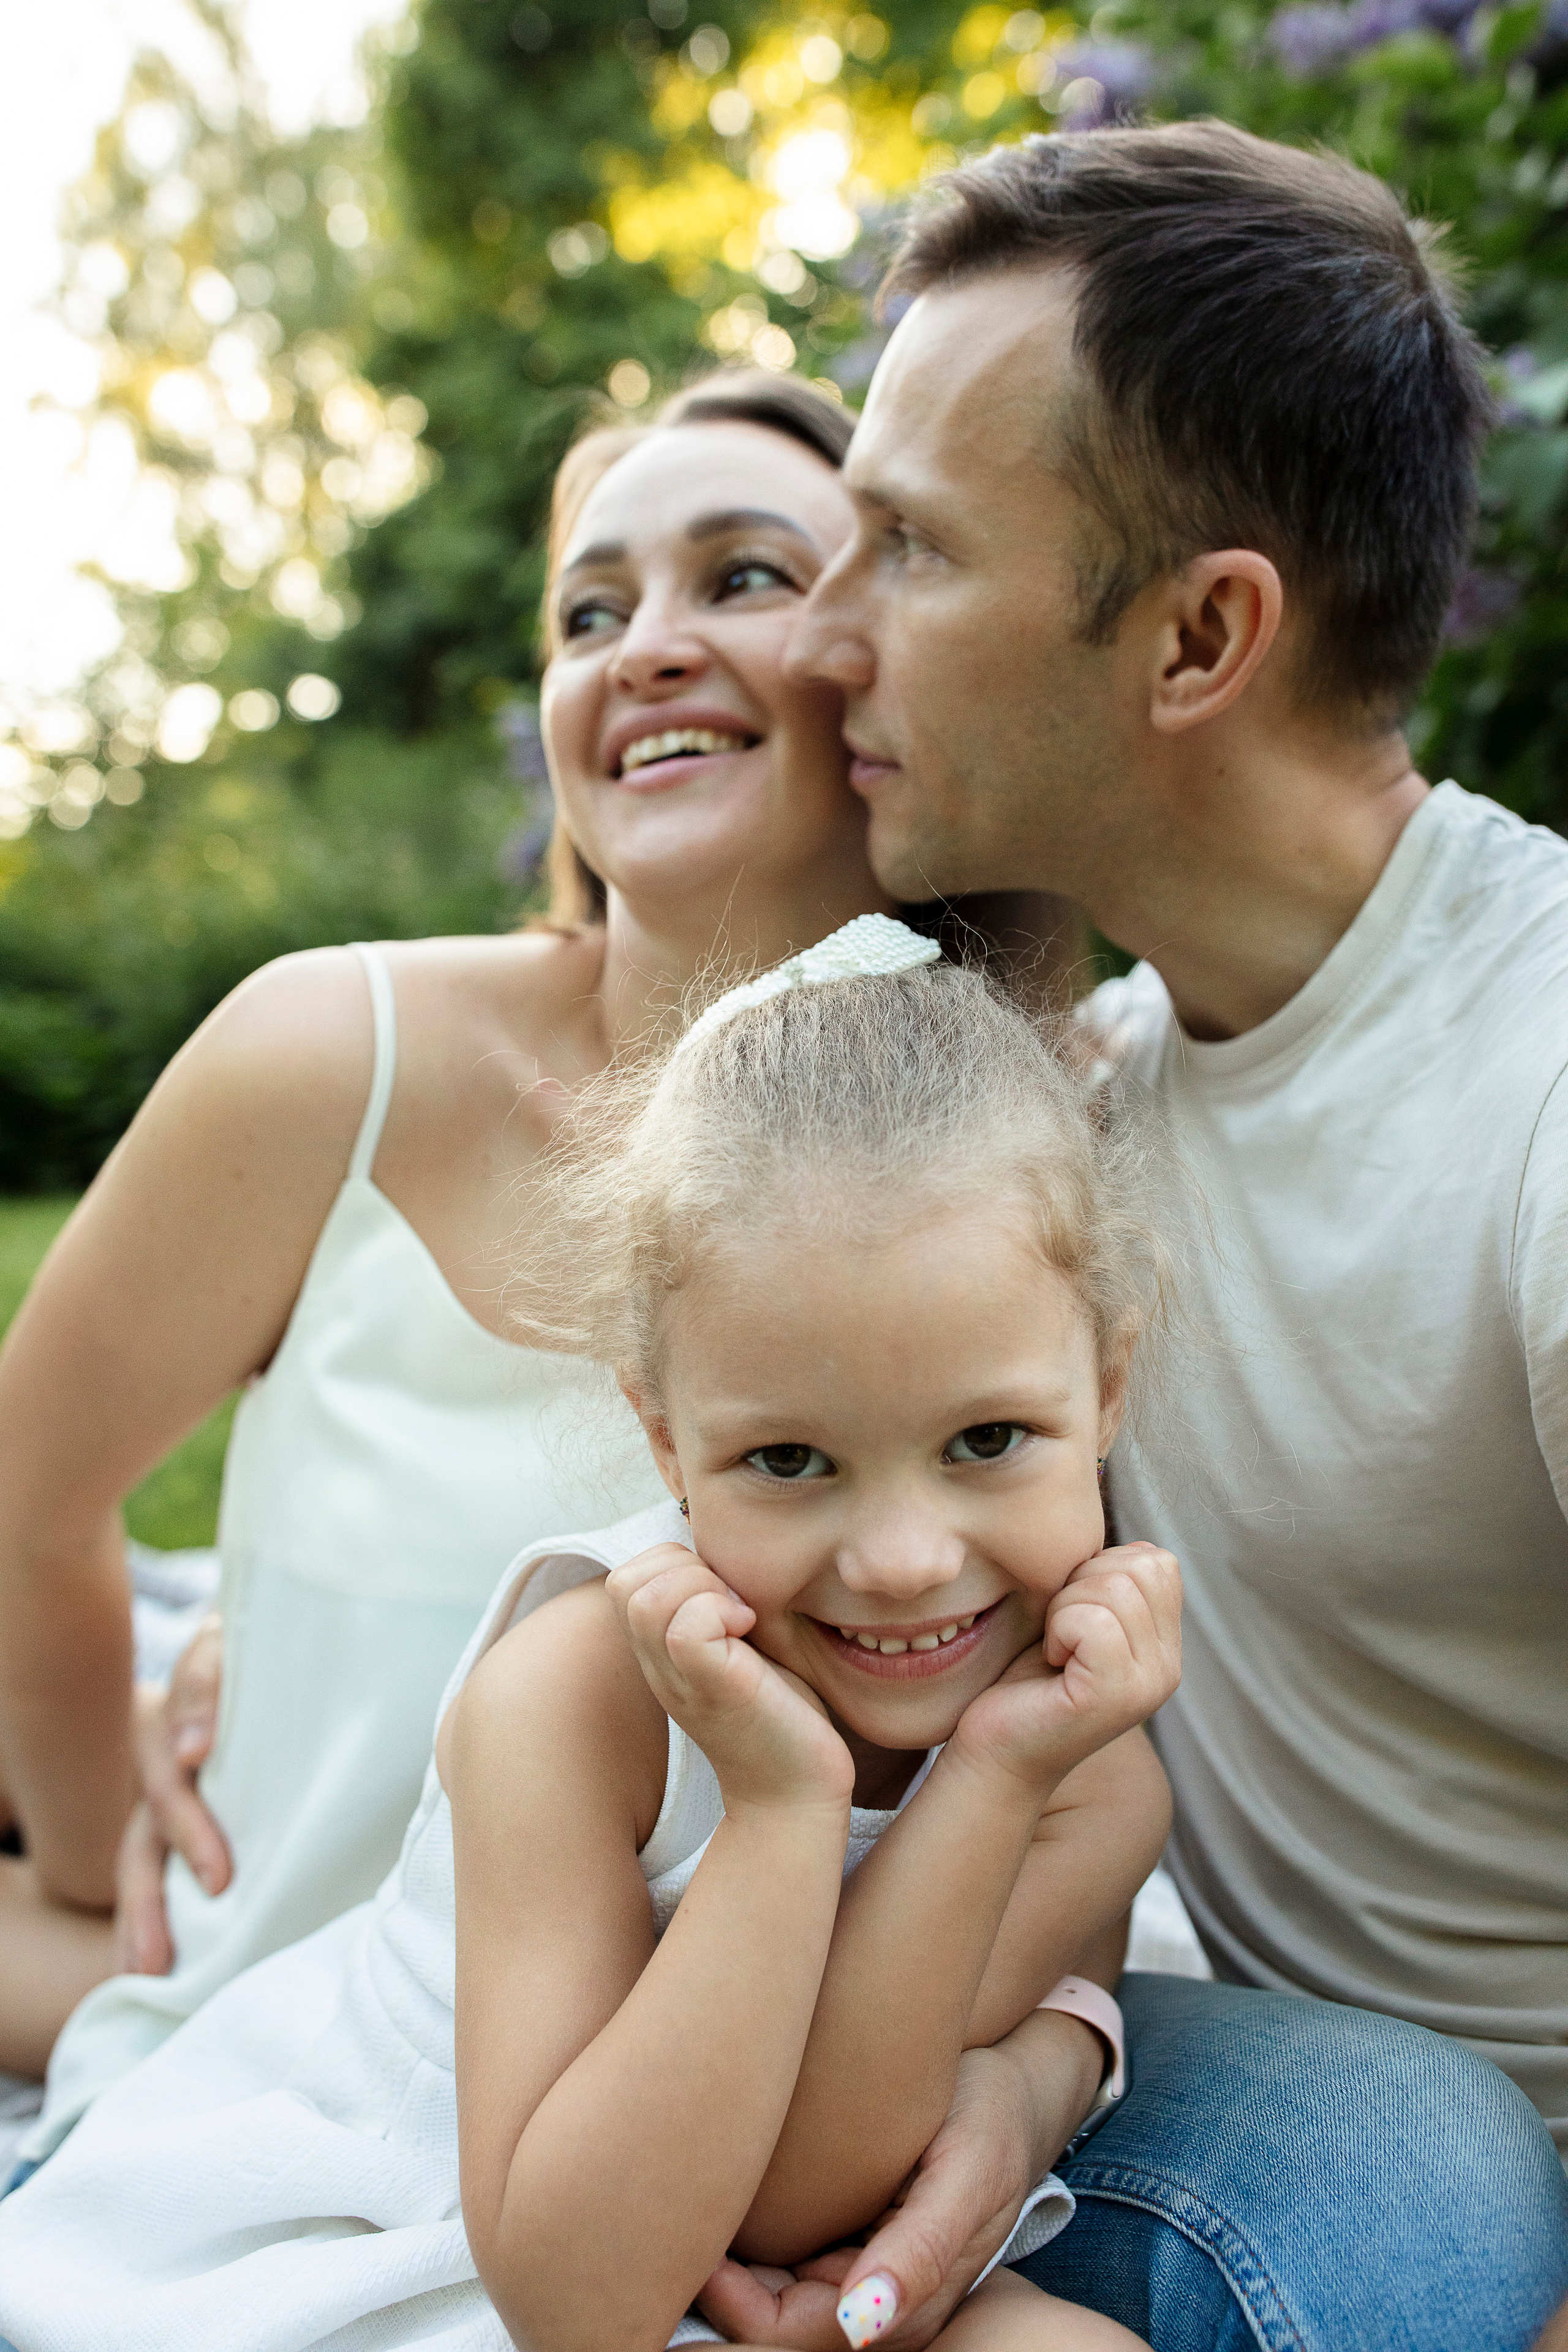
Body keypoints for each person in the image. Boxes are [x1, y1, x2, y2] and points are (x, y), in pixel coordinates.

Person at [0, 370, 1078, 2187]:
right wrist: (108, 1895)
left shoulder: (1048, 1135)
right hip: (283, 2094)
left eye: (744, 577)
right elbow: (30, 1492)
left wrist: (1051, 2057)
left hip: (755, 2144)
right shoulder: (336, 1054)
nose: (646, 647)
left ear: (891, 668)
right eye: (594, 611)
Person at [788, 119, 1568, 2340]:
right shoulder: (1100, 1091)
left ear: (1201, 635)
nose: (826, 643)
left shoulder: (1544, 1104)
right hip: (1229, 2083)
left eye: (912, 551)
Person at [0, 928, 1185, 2350]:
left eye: (986, 1440)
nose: (899, 1562)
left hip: (717, 2250)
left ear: (1106, 1385)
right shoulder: (573, 1696)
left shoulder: (1072, 1762)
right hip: (404, 2249)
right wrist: (775, 1805)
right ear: (660, 1431)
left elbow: (800, 2197)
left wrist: (993, 1782)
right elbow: (578, 2297)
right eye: (789, 1462)